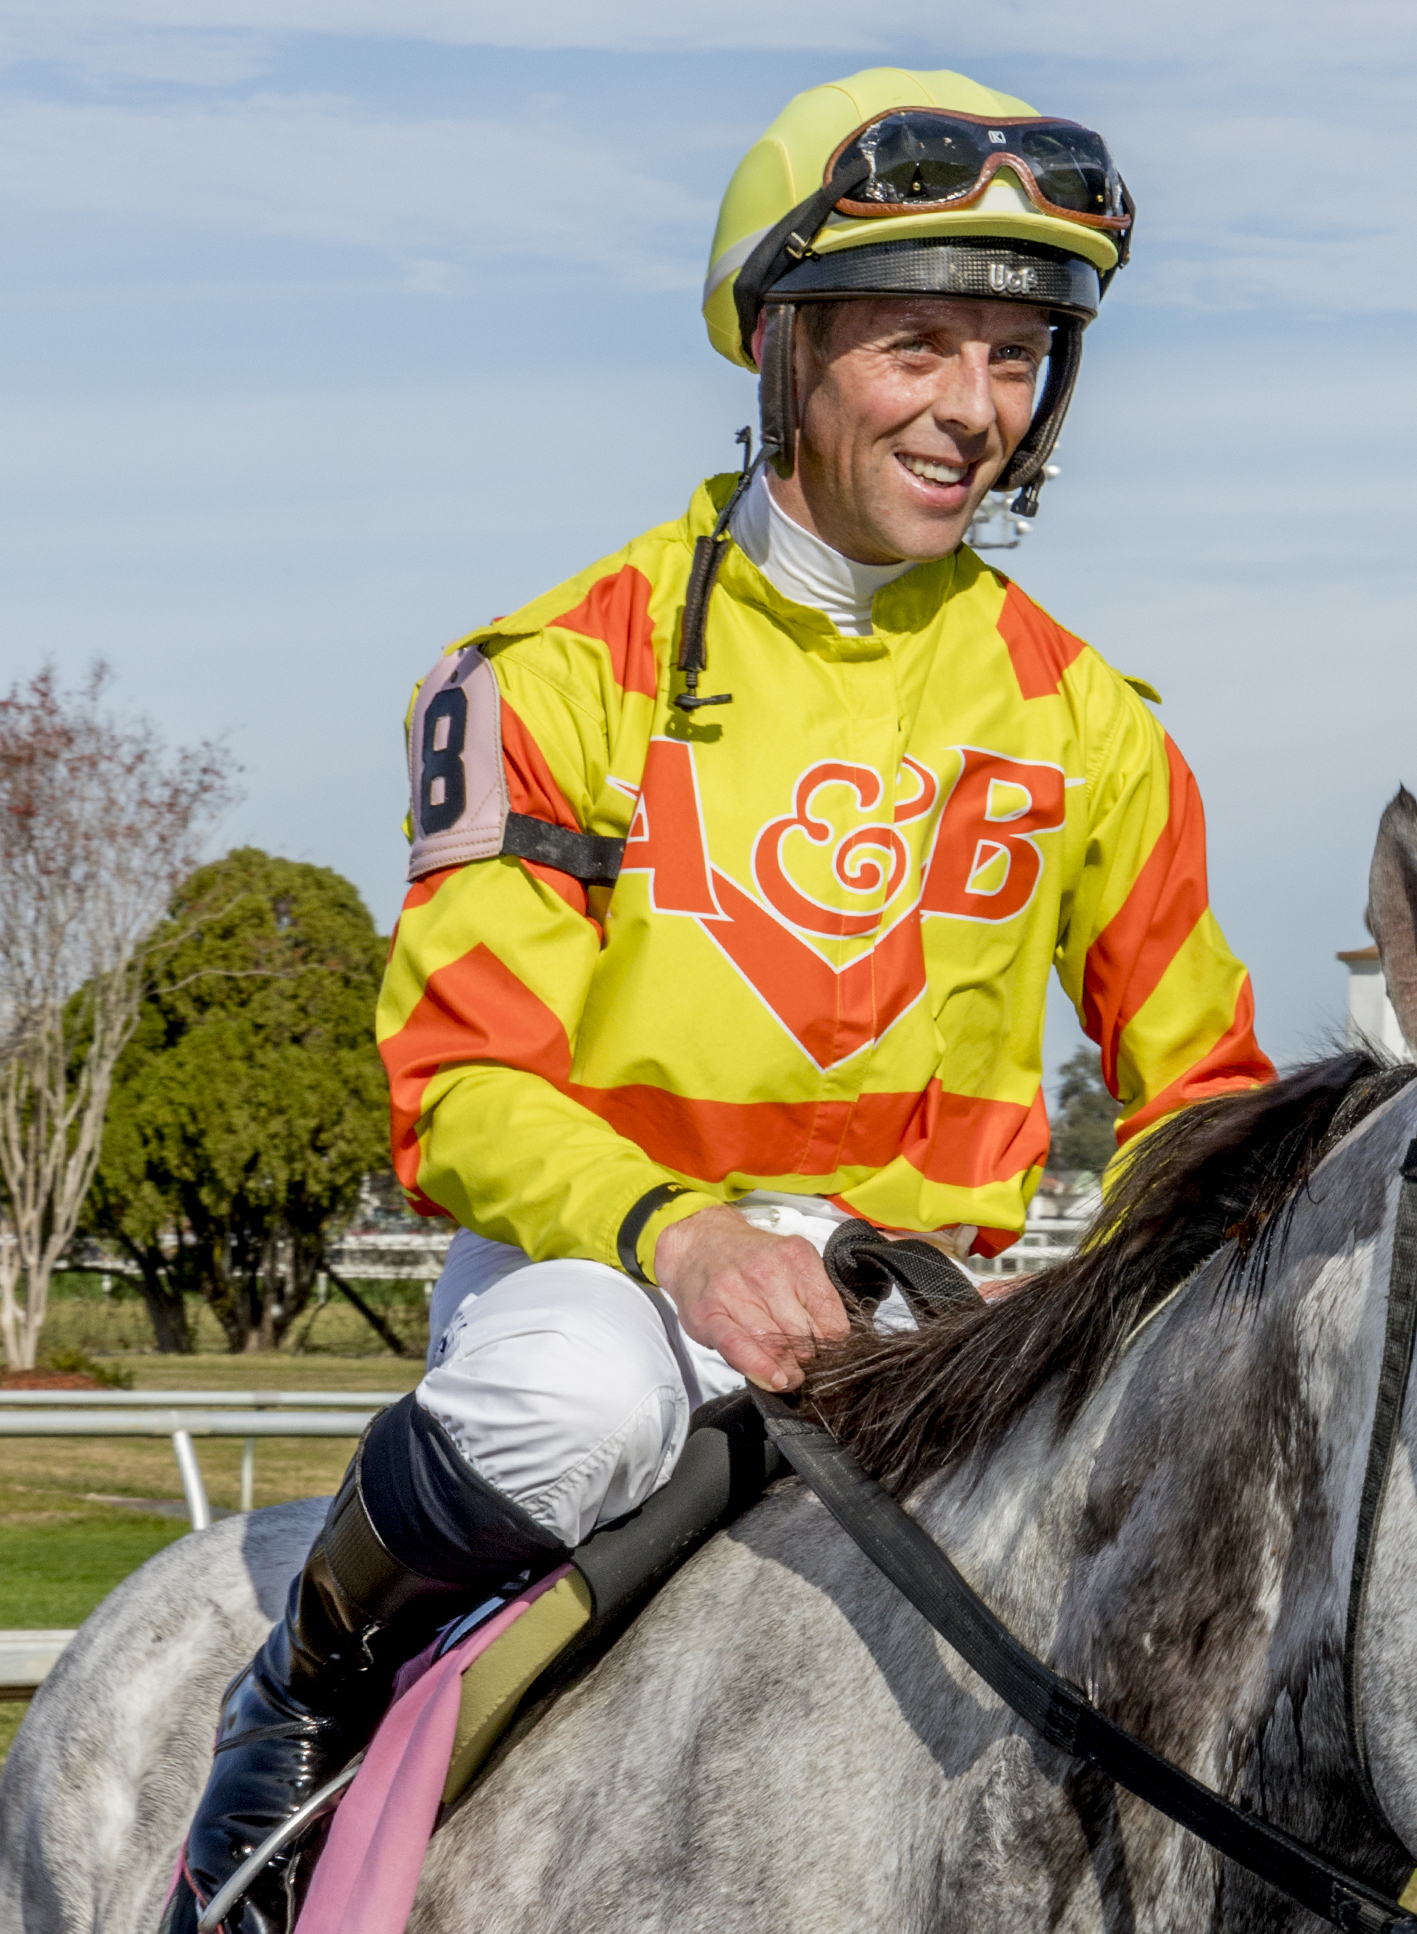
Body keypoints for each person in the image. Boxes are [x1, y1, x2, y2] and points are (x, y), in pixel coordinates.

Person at [163, 66, 1274, 1934]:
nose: (972, 411)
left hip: (941, 1325)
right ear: (782, 347)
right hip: (619, 1280)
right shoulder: (551, 674)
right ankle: (304, 1699)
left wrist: (1113, 1288)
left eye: (1016, 357)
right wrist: (679, 1244)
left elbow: (1204, 1094)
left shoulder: (1100, 726)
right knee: (570, 1400)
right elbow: (462, 1083)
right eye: (918, 343)